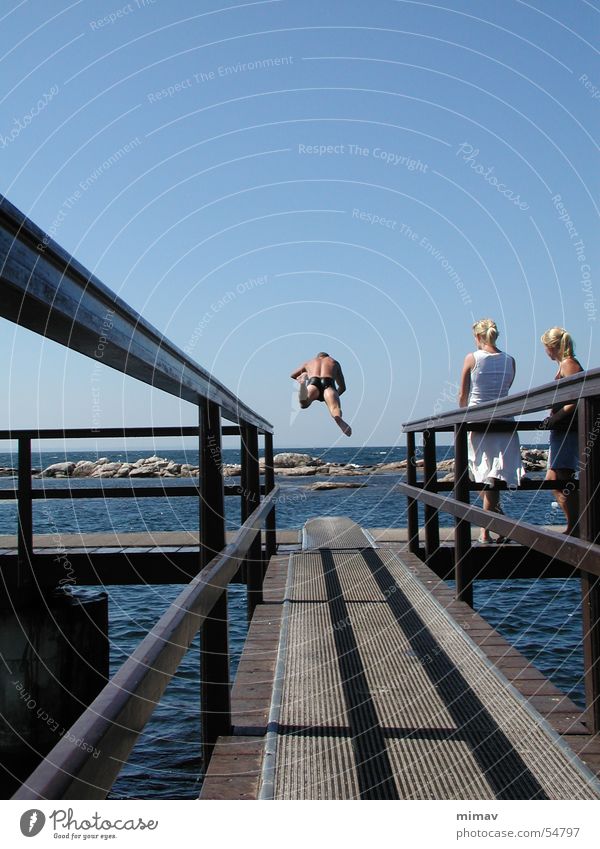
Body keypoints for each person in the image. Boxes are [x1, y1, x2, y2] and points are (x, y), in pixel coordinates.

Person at [458, 318, 523, 544]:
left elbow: (463, 395)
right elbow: (506, 388)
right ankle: (497, 525)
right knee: (493, 476)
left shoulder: (472, 358)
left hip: (479, 421)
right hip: (505, 422)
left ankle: (488, 530)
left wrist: (462, 415)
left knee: (481, 476)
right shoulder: (510, 360)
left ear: (477, 337)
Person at [541, 327, 583, 536]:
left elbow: (576, 397)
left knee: (562, 477)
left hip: (568, 429)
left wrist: (555, 417)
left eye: (545, 348)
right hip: (561, 430)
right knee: (553, 479)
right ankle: (575, 524)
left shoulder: (569, 364)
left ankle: (576, 526)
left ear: (551, 347)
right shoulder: (563, 365)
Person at [290, 352, 352, 436]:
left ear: (318, 357)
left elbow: (293, 375)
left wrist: (308, 374)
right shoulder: (334, 362)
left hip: (313, 383)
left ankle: (302, 383)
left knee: (304, 403)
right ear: (327, 356)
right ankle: (339, 420)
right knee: (334, 408)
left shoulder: (309, 362)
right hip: (328, 384)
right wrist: (333, 397)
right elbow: (342, 387)